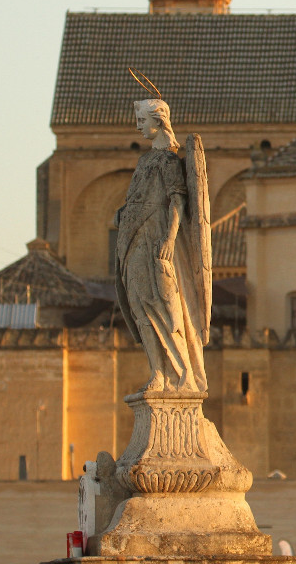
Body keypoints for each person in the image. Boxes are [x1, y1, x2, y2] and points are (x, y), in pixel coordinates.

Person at [114, 98, 211, 394]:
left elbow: (178, 200)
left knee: (164, 306)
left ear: (158, 121)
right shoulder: (145, 160)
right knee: (140, 306)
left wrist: (169, 239)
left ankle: (181, 374)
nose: (138, 126)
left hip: (156, 241)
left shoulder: (169, 160)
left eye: (142, 121)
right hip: (134, 243)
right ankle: (157, 373)